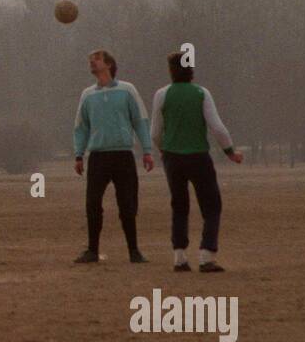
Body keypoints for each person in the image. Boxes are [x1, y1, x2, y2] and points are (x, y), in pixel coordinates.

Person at [150, 53, 242, 273]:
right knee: (211, 205)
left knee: (179, 205)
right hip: (198, 156)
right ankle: (206, 255)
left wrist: (164, 148)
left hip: (173, 158)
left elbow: (154, 132)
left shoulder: (162, 95)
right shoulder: (201, 93)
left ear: (171, 70)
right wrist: (230, 151)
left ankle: (179, 257)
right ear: (191, 70)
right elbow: (217, 127)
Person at [72, 49, 153, 264]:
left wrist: (147, 150)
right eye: (90, 60)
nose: (92, 62)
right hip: (98, 156)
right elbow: (81, 127)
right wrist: (79, 154)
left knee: (127, 204)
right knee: (92, 203)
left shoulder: (127, 90)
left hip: (123, 155)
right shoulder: (87, 94)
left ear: (108, 64)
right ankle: (92, 250)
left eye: (96, 59)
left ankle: (134, 251)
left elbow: (140, 121)